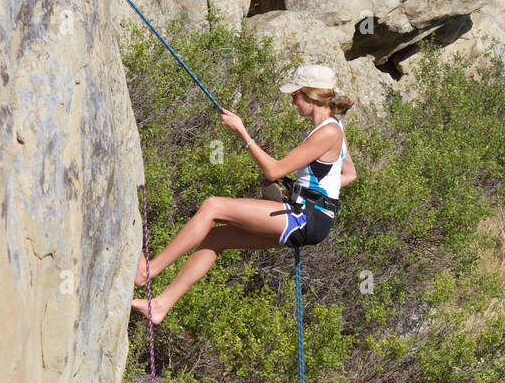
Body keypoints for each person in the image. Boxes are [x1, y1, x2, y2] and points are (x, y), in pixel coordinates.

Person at [130, 64, 357, 324]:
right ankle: (159, 306)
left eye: (295, 94)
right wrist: (304, 189)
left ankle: (149, 271)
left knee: (213, 206)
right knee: (216, 238)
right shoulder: (334, 127)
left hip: (306, 218)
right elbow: (349, 174)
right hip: (312, 218)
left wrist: (242, 132)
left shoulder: (328, 131)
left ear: (311, 95)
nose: (292, 100)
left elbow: (273, 170)